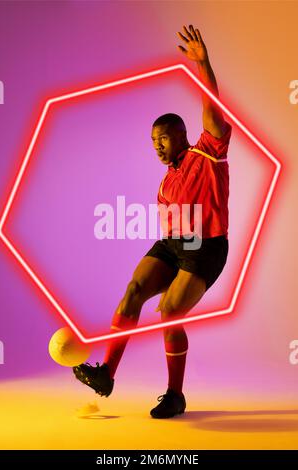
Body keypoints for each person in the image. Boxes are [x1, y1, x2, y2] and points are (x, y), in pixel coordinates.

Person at [73, 24, 232, 419]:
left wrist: (203, 63)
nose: (157, 145)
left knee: (171, 313)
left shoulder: (208, 154)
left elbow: (212, 108)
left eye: (163, 137)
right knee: (133, 292)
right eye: (152, 141)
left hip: (206, 247)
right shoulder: (165, 182)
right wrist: (170, 258)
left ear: (181, 134)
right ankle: (107, 373)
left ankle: (175, 395)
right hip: (174, 243)